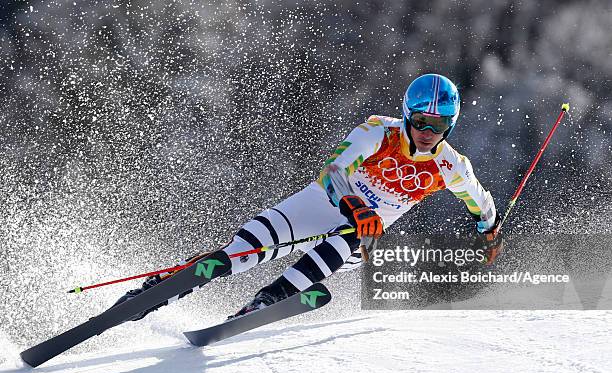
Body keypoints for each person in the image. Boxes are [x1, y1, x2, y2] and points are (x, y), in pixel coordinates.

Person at [112, 73, 502, 320]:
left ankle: (271, 299)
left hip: (358, 237)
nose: (426, 132)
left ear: (450, 125)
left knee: (363, 233)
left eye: (437, 125)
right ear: (406, 115)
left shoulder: (452, 167)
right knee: (246, 249)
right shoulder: (377, 133)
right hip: (320, 205)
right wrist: (353, 205)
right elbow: (332, 171)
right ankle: (156, 289)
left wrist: (489, 230)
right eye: (419, 121)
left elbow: (481, 203)